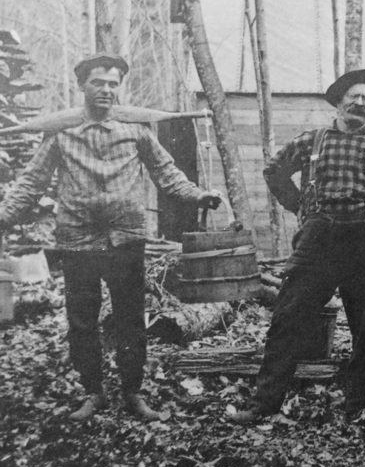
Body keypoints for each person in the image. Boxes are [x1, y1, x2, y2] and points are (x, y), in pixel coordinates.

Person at [0, 53, 222, 422]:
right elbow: (31, 181)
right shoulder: (61, 132)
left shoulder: (136, 129)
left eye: (112, 83)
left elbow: (167, 173)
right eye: (98, 82)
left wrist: (198, 195)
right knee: (82, 321)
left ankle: (133, 393)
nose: (105, 89)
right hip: (78, 241)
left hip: (126, 240)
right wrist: (4, 216)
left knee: (130, 319)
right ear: (83, 86)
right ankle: (93, 392)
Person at [230, 69, 365, 422]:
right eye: (354, 97)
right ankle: (264, 403)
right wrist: (300, 206)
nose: (359, 104)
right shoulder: (310, 141)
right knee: (287, 317)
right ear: (340, 100)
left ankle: (358, 404)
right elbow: (274, 172)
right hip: (318, 243)